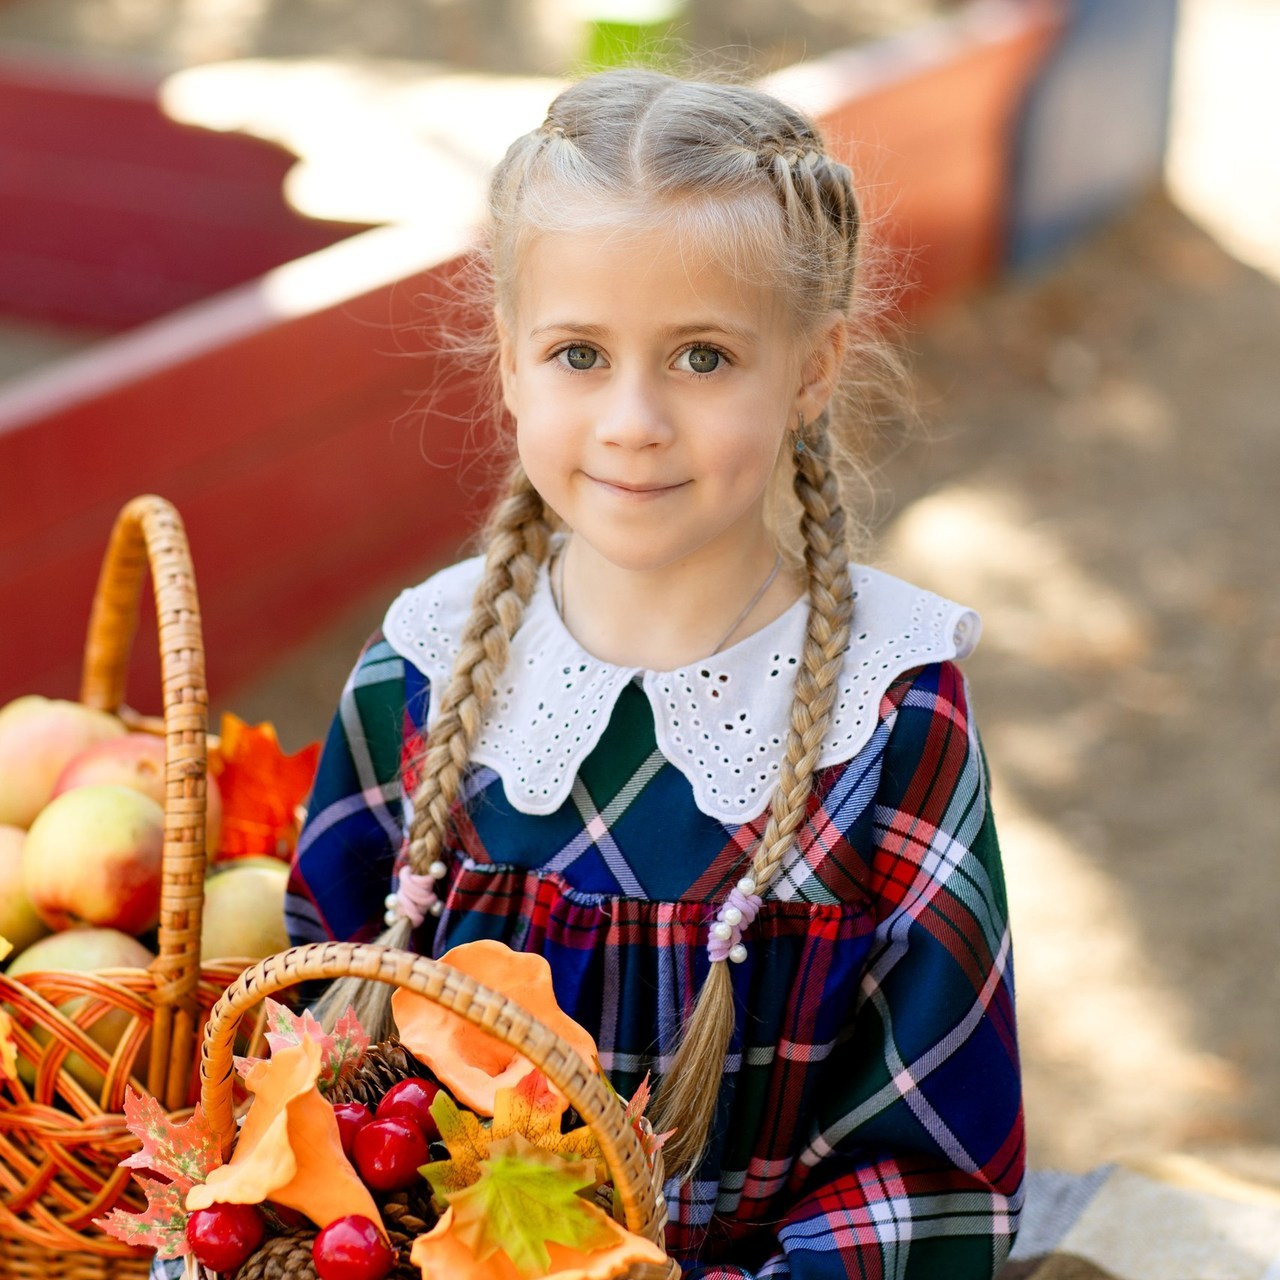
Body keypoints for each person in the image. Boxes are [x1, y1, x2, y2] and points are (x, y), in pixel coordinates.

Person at [287, 68, 1025, 1279]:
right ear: (508, 365)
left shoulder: (887, 714)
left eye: (700, 357)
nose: (632, 419)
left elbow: (929, 1165)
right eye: (578, 352)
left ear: (811, 369)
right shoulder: (421, 670)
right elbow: (316, 1020)